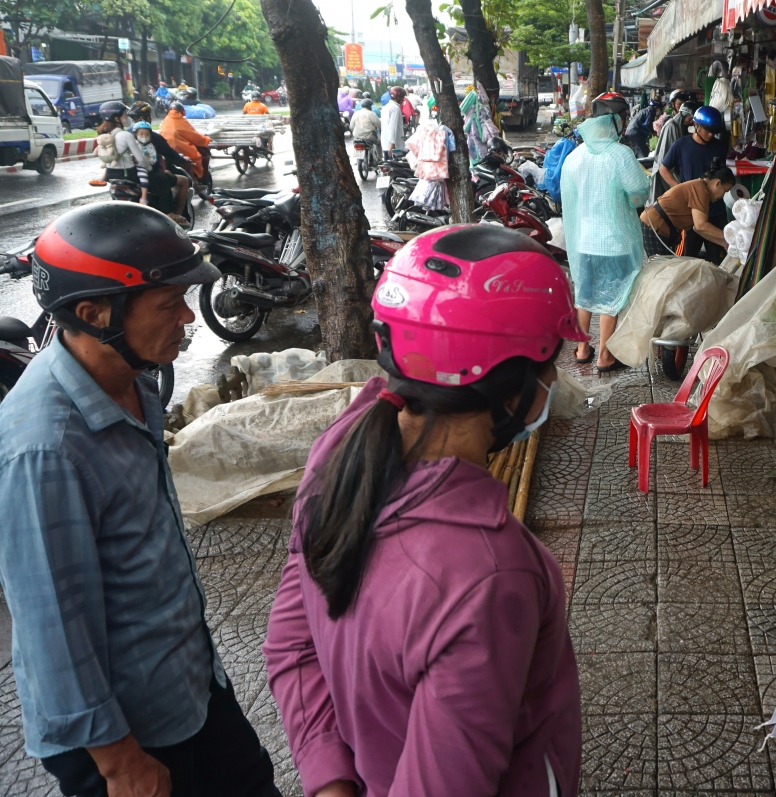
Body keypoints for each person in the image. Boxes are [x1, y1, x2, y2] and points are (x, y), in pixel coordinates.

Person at [264, 224, 584, 797]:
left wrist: (330, 779)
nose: (554, 379)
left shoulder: (336, 453)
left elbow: (292, 641)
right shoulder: (489, 572)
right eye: (546, 363)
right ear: (507, 385)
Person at [0, 203, 282, 797]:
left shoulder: (133, 382)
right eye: (167, 304)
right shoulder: (45, 448)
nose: (187, 317)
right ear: (93, 312)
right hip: (122, 736)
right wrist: (120, 762)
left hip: (188, 686)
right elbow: (53, 623)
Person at [560, 92, 649, 372]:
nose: (625, 123)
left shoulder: (576, 156)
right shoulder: (620, 154)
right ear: (614, 121)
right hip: (614, 242)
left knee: (585, 295)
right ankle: (606, 356)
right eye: (623, 117)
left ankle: (583, 349)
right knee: (612, 300)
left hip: (584, 241)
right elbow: (638, 193)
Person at [659, 105, 730, 263]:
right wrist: (677, 187)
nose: (711, 134)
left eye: (714, 131)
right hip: (690, 214)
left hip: (716, 212)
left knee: (720, 261)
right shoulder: (681, 145)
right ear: (696, 125)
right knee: (685, 260)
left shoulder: (720, 147)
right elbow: (663, 168)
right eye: (707, 130)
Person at [96, 102, 188, 222]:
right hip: (131, 175)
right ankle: (169, 213)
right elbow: (141, 160)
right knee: (162, 179)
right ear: (116, 118)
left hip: (112, 176)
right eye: (124, 115)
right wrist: (150, 169)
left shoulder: (105, 136)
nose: (127, 117)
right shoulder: (126, 135)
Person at [640, 165, 735, 256]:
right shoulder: (701, 189)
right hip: (654, 224)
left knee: (668, 267)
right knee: (662, 268)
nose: (723, 196)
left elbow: (698, 229)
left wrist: (724, 243)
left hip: (658, 225)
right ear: (717, 183)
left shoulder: (701, 188)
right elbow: (701, 226)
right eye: (725, 191)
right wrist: (731, 237)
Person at [649, 100, 700, 203]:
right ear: (683, 114)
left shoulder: (678, 126)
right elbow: (671, 156)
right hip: (665, 170)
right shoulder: (672, 126)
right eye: (690, 118)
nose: (690, 122)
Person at [159, 101, 215, 181]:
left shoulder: (166, 120)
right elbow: (194, 136)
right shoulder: (180, 120)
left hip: (166, 150)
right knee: (197, 156)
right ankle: (200, 177)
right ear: (182, 111)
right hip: (181, 149)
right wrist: (206, 139)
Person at [380, 87, 405, 156]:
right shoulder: (395, 108)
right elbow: (392, 126)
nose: (403, 99)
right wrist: (392, 143)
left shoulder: (386, 107)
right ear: (398, 97)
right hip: (394, 146)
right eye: (403, 97)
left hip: (385, 144)